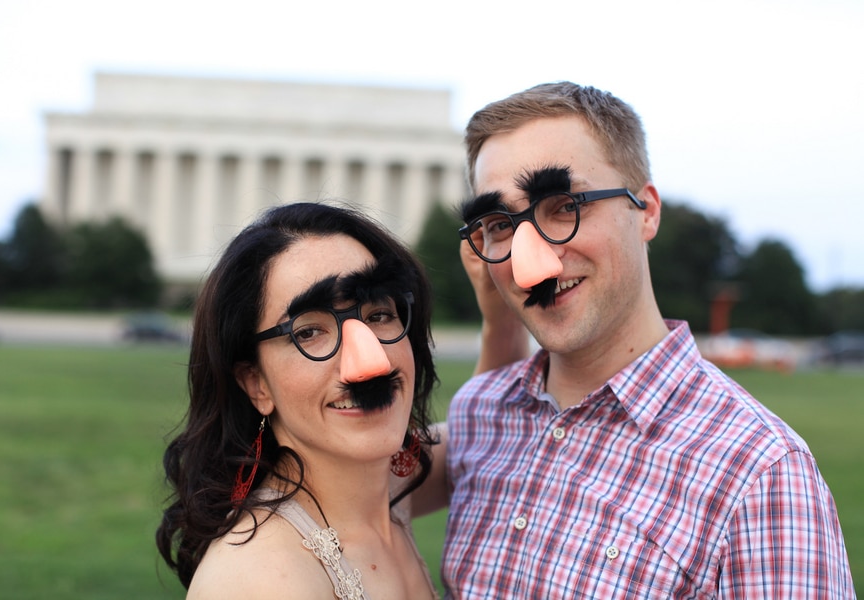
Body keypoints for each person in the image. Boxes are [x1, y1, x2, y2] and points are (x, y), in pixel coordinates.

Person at [419, 82, 856, 598]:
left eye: (563, 206)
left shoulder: (762, 475)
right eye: (498, 224)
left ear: (646, 210)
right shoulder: (481, 412)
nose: (529, 264)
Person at [156, 201, 440, 599]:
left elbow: (494, 435)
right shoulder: (260, 581)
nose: (370, 364)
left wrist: (499, 321)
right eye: (308, 332)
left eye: (378, 315)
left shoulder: (382, 492)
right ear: (256, 383)